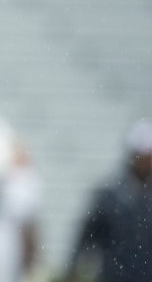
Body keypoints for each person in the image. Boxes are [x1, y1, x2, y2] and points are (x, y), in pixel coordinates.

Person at [63, 119, 152, 282]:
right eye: (142, 155)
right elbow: (85, 237)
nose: (146, 161)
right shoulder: (109, 198)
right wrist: (72, 270)